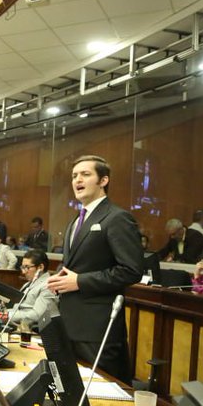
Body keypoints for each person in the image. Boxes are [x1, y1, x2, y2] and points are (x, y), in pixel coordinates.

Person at [47, 155, 143, 383]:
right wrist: (60, 278)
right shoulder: (75, 221)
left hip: (97, 330)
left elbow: (131, 270)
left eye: (85, 174)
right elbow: (78, 264)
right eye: (74, 176)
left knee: (102, 395)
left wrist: (80, 281)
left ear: (103, 181)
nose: (77, 180)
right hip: (70, 324)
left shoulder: (117, 218)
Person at [6, 250, 58, 330]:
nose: (23, 272)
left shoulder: (48, 285)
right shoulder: (28, 284)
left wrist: (7, 315)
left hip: (31, 330)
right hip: (17, 325)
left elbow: (37, 315)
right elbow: (18, 306)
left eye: (27, 267)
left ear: (40, 267)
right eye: (22, 267)